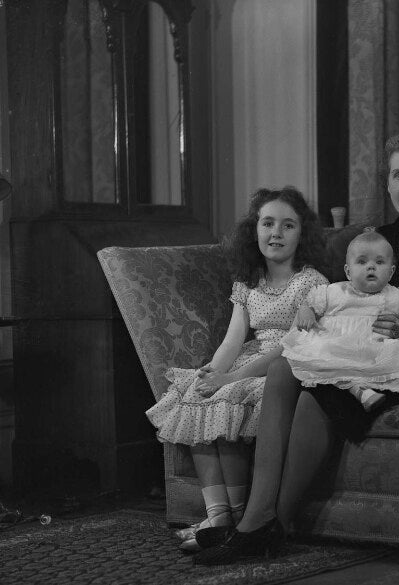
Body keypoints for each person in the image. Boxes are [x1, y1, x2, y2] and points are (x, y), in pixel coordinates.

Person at [193, 128, 399, 565]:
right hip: (348, 357)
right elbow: (330, 301)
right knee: (283, 368)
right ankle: (257, 517)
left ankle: (268, 525)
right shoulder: (367, 241)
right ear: (387, 183)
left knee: (314, 400)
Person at [145, 186, 328, 551]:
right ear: (254, 230)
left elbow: (288, 345)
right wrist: (211, 372)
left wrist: (230, 379)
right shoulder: (247, 283)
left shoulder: (312, 282)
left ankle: (243, 517)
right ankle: (218, 515)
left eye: (287, 225)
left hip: (281, 367)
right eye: (268, 223)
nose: (276, 233)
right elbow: (233, 338)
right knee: (196, 396)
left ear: (302, 234)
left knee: (227, 395)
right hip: (249, 357)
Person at [281, 229, 399, 411]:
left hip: (377, 350)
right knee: (325, 354)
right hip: (341, 347)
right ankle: (361, 391)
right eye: (362, 261)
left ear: (391, 272)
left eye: (379, 262)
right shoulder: (335, 291)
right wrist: (306, 312)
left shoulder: (395, 296)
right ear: (348, 271)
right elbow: (309, 302)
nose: (371, 267)